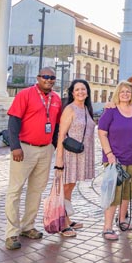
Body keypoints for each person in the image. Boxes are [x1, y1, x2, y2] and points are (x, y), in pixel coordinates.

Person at [4, 68, 62, 250]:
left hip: (45, 150)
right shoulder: (25, 94)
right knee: (15, 190)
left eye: (52, 77)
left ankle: (27, 226)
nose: (49, 80)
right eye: (45, 77)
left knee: (36, 190)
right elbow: (13, 121)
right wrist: (15, 147)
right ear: (38, 78)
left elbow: (57, 126)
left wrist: (55, 148)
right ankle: (12, 233)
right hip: (25, 148)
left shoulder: (56, 99)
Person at [97, 81, 132, 241]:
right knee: (113, 194)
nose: (125, 94)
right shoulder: (111, 111)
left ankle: (122, 220)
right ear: (118, 93)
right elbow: (102, 132)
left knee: (127, 192)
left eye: (128, 92)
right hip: (114, 159)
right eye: (122, 91)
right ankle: (107, 227)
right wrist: (109, 154)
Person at [54, 79, 96, 237]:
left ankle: (67, 218)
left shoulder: (86, 108)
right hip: (70, 154)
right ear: (72, 93)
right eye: (77, 89)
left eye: (83, 89)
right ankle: (62, 224)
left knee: (70, 187)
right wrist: (59, 158)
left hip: (81, 154)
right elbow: (61, 134)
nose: (80, 92)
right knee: (65, 188)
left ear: (87, 92)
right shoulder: (69, 109)